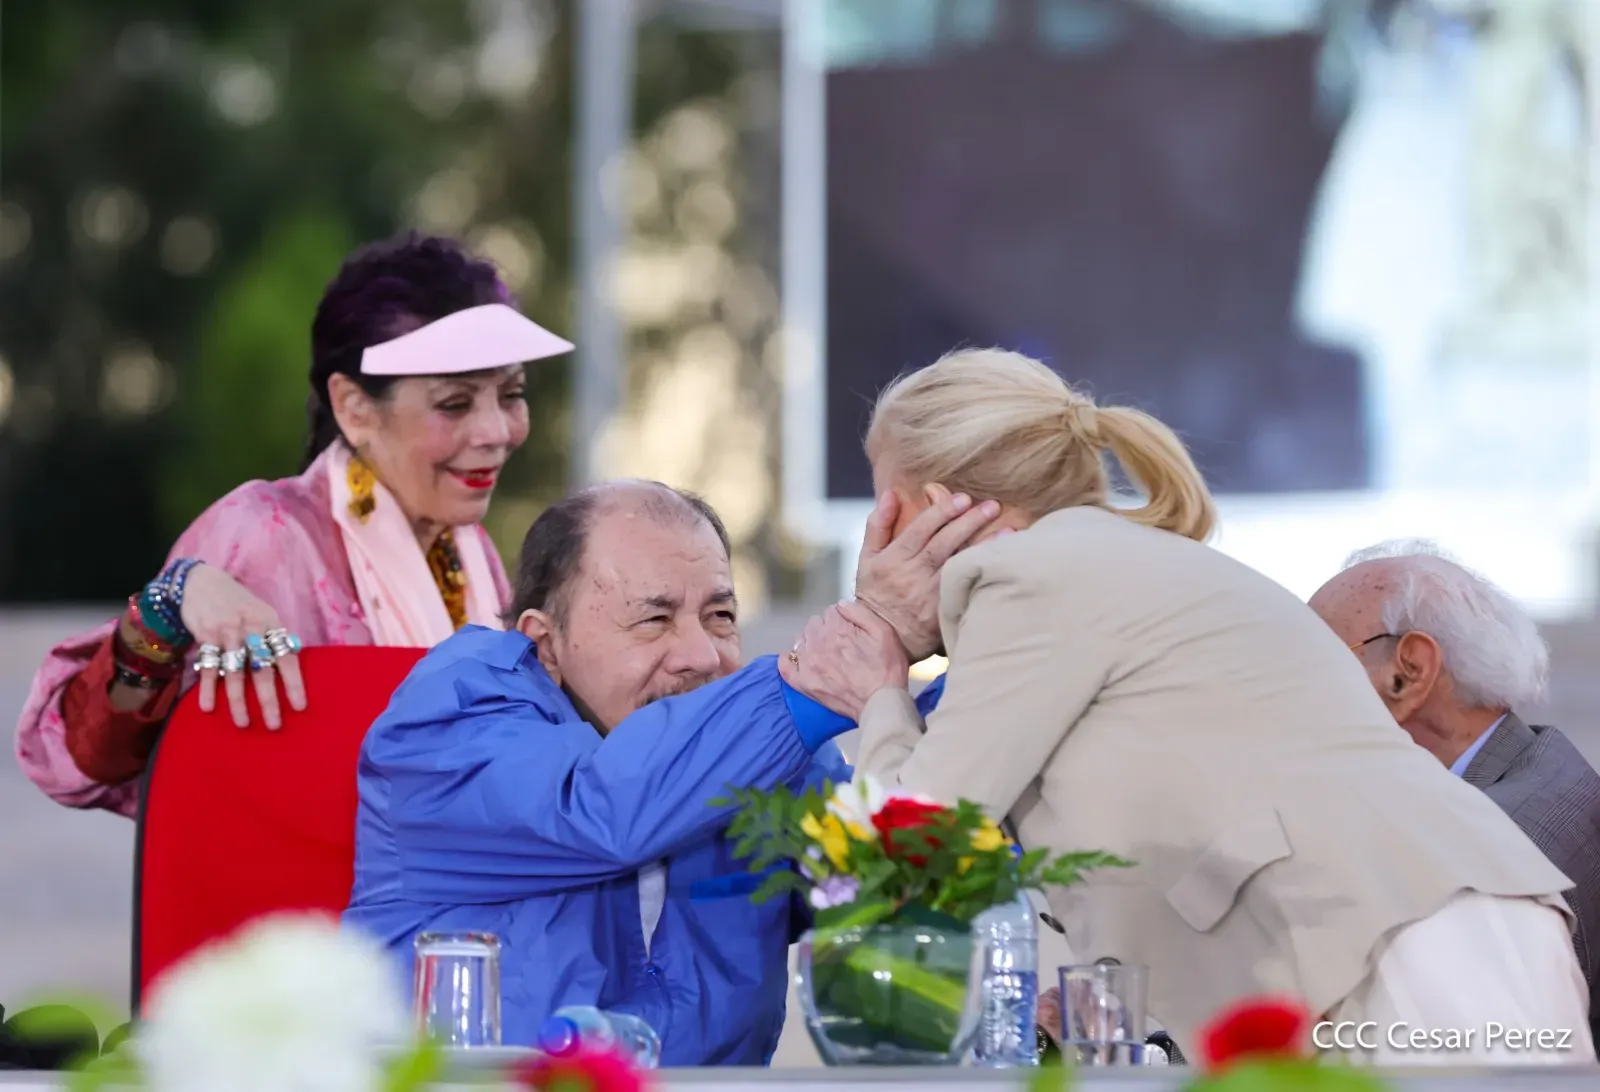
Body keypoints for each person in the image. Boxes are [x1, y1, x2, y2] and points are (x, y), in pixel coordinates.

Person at [786, 347, 1592, 1064]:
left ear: (943, 508)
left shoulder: (1035, 576)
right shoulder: (1109, 565)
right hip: (1429, 932)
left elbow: (916, 843)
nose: (877, 540)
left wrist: (880, 694)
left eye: (883, 507)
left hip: (1399, 946)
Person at [343, 480, 997, 1064]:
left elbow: (906, 883)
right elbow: (600, 809)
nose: (702, 654)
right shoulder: (454, 712)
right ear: (545, 644)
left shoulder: (758, 751)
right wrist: (847, 653)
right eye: (654, 619)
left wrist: (995, 667)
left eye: (721, 615)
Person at [14, 231, 572, 817]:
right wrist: (166, 606)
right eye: (454, 404)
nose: (496, 431)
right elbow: (78, 761)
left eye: (511, 394)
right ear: (354, 408)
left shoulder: (464, 547)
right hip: (284, 905)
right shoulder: (267, 533)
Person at [1310, 538, 1600, 1044]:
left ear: (1408, 672)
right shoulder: (1535, 770)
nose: (1294, 689)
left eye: (1314, 657)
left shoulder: (1490, 846)